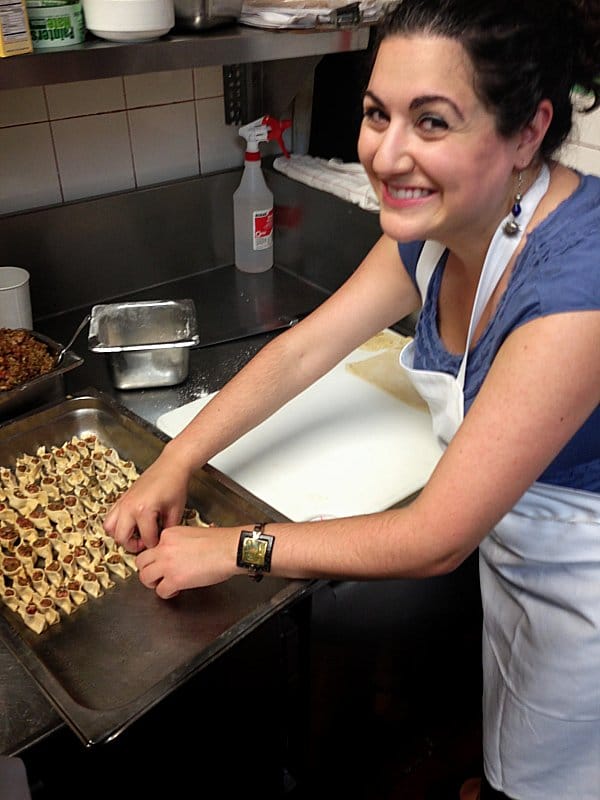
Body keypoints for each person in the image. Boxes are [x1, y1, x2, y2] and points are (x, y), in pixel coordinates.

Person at [104, 0, 600, 797]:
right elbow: (303, 349)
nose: (386, 153)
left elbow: (436, 536)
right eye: (377, 113)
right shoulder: (441, 226)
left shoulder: (577, 286)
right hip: (514, 549)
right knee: (511, 741)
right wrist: (178, 458)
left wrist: (235, 547)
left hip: (585, 582)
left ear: (528, 132)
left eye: (431, 122)